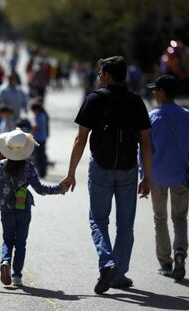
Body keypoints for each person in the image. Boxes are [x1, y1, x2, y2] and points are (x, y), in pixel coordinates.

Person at [61, 56, 152, 294]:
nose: (99, 78)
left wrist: (71, 174)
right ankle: (118, 275)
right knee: (125, 225)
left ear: (108, 75)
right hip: (128, 169)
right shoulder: (136, 101)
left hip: (100, 168)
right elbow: (146, 143)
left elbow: (81, 139)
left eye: (101, 74)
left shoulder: (94, 99)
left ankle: (107, 263)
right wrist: (148, 177)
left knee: (98, 220)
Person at [0, 128, 67, 286]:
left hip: (6, 210)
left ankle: (5, 261)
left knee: (7, 240)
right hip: (23, 208)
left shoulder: (0, 166)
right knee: (20, 243)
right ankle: (17, 276)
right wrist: (59, 189)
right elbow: (40, 189)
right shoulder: (28, 167)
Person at [146, 74, 189, 281]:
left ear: (162, 92)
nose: (153, 93)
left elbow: (145, 149)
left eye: (155, 90)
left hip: (157, 176)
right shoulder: (187, 116)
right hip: (182, 175)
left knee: (159, 218)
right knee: (179, 217)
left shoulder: (153, 117)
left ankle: (165, 262)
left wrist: (143, 175)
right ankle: (180, 251)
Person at [31, 102, 49, 178]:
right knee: (42, 155)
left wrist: (30, 133)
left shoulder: (39, 116)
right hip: (43, 138)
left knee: (38, 156)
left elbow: (36, 127)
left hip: (38, 138)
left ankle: (41, 172)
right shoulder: (43, 115)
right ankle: (42, 172)